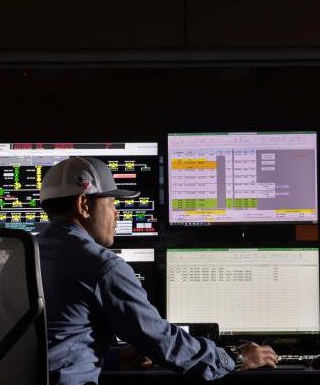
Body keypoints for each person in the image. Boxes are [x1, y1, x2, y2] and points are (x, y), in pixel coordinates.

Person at [36, 157, 278, 385]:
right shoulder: (102, 266)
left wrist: (115, 357)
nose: (116, 213)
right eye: (111, 203)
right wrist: (235, 358)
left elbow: (51, 350)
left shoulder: (26, 254)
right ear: (83, 205)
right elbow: (162, 342)